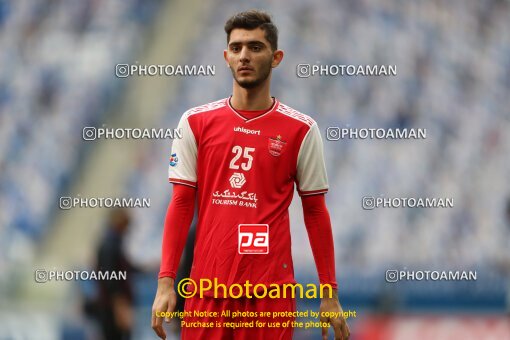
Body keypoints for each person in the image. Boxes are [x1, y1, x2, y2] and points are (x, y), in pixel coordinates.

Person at [152, 9, 350, 340]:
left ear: (276, 57)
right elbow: (182, 202)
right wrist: (166, 282)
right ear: (226, 56)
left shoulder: (301, 130)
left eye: (256, 47)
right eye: (237, 47)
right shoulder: (195, 123)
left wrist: (329, 293)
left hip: (269, 297)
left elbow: (315, 211)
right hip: (206, 292)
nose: (244, 55)